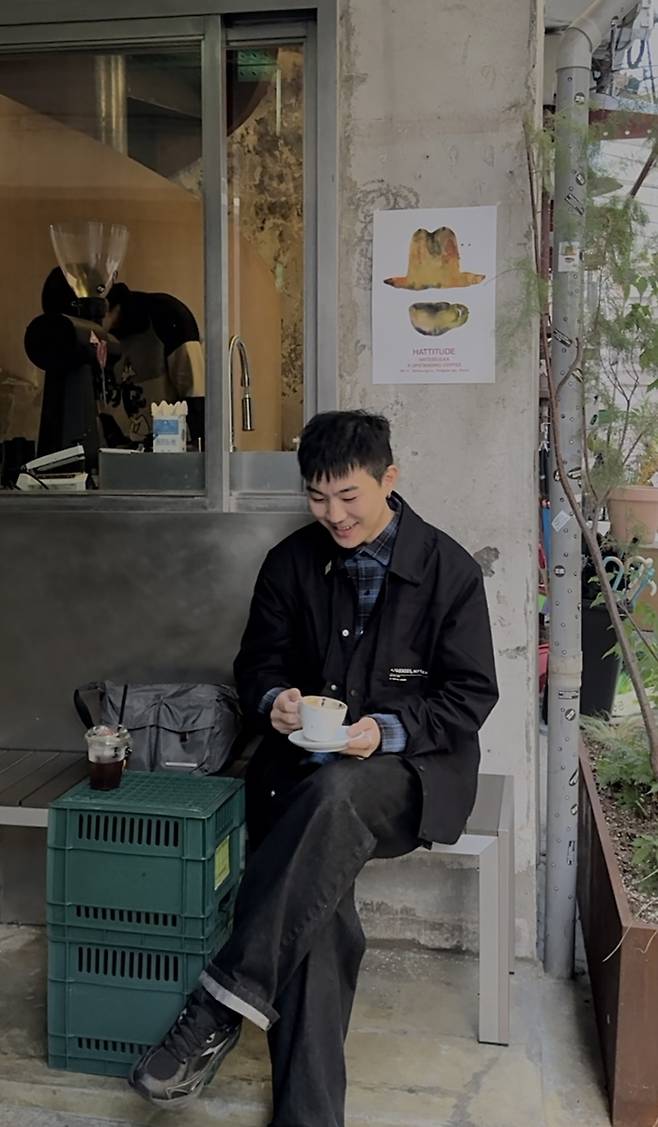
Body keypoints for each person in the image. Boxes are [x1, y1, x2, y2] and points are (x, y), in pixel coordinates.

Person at [128, 410, 499, 1124]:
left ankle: (220, 999)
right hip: (301, 779)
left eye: (349, 496)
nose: (333, 514)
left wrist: (383, 730)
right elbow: (256, 663)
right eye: (317, 497)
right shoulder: (292, 563)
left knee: (336, 794)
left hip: (406, 775)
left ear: (389, 479)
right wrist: (277, 699)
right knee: (318, 910)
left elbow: (471, 693)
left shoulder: (447, 569)